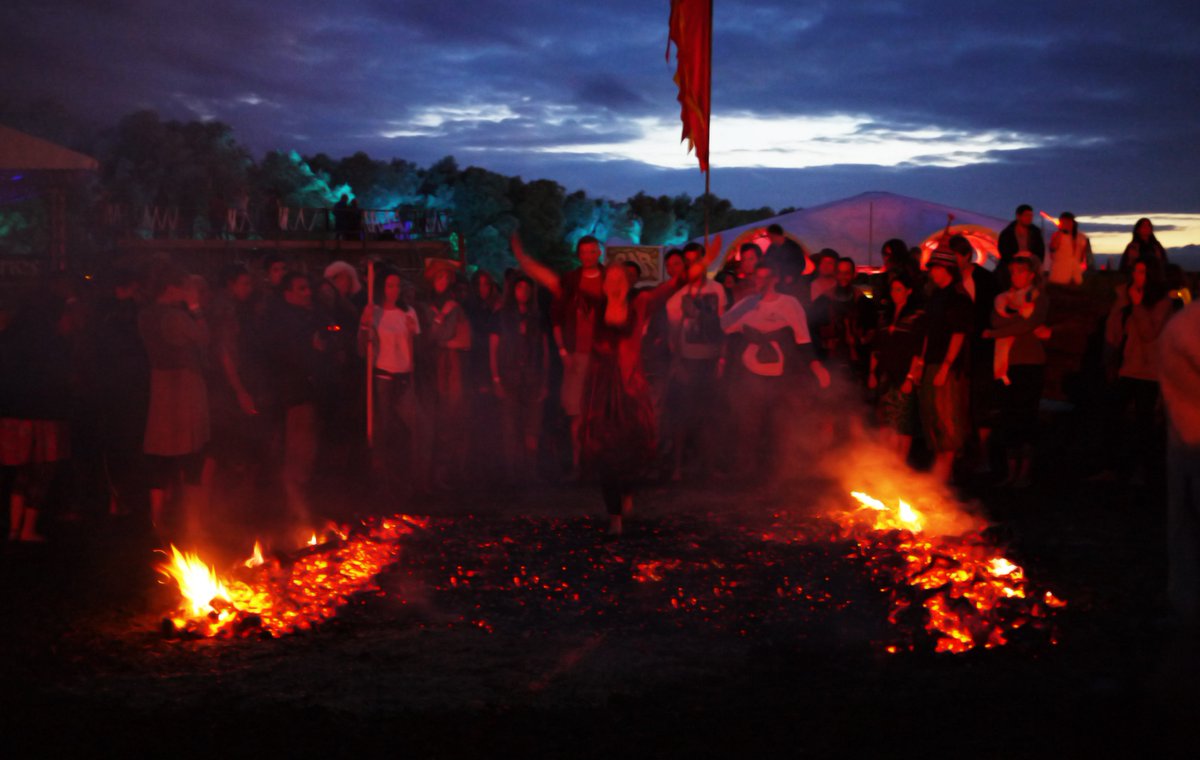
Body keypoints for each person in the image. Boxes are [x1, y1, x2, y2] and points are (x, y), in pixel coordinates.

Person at [515, 232, 689, 537]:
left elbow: (674, 284)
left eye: (621, 279)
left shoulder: (641, 304)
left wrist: (701, 263)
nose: (615, 283)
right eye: (611, 280)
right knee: (607, 452)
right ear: (606, 284)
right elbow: (554, 284)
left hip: (632, 391)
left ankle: (628, 493)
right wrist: (525, 261)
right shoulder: (594, 306)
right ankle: (614, 516)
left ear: (626, 283)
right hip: (602, 394)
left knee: (634, 450)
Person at [721, 259, 831, 480]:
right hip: (750, 370)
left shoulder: (788, 304)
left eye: (763, 277)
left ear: (775, 279)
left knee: (782, 421)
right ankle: (747, 470)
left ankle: (782, 472)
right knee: (748, 421)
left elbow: (803, 339)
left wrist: (816, 366)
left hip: (781, 371)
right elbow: (723, 326)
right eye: (756, 277)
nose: (758, 281)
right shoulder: (747, 304)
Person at [139, 262, 211, 533]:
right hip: (181, 387)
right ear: (172, 288)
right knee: (188, 451)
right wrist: (195, 309)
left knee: (161, 455)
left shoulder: (146, 314)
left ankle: (158, 517)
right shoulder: (174, 316)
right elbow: (204, 337)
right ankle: (192, 519)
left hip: (160, 384)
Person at [0, 295, 73, 542]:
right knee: (41, 471)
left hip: (14, 415)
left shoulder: (8, 339)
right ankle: (28, 529)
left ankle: (13, 527)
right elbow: (62, 379)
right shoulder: (52, 344)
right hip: (45, 415)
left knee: (22, 471)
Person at [261, 272, 327, 525]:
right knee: (298, 451)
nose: (308, 293)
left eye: (308, 288)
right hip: (294, 393)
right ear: (288, 293)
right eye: (301, 289)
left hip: (307, 392)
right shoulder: (283, 321)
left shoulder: (306, 317)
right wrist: (312, 349)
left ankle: (299, 504)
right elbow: (286, 356)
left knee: (307, 448)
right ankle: (294, 508)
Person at [983, 253, 1051, 488]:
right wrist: (1010, 327)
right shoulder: (1003, 299)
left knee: (1026, 418)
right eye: (1012, 271)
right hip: (1007, 366)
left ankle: (1025, 473)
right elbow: (997, 320)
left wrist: (995, 334)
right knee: (1009, 418)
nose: (1015, 275)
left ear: (1031, 274)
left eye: (1019, 271)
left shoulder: (1038, 297)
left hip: (1029, 364)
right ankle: (1011, 473)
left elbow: (1028, 324)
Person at [1104, 258, 1172, 484]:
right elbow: (1115, 331)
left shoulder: (1162, 302)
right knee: (1113, 417)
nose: (1137, 276)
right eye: (1135, 271)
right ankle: (1115, 467)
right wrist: (1122, 302)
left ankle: (1144, 471)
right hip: (1127, 368)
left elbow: (1149, 334)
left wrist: (1137, 304)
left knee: (1144, 422)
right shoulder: (1128, 297)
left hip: (1147, 371)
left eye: (1142, 272)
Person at [664, 242, 726, 482]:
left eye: (697, 260)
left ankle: (708, 467)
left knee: (709, 415)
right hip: (687, 361)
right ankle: (677, 467)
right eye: (688, 261)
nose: (693, 265)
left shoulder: (718, 289)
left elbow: (722, 324)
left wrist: (722, 357)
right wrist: (678, 363)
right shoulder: (677, 295)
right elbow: (673, 333)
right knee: (682, 416)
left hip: (710, 359)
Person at [360, 269, 422, 500]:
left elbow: (419, 346)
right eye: (389, 285)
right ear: (382, 289)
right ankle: (382, 481)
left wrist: (413, 332)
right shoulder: (373, 312)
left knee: (414, 426)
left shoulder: (409, 312)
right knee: (383, 429)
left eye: (397, 285)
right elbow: (361, 347)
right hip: (383, 376)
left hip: (405, 376)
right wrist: (365, 326)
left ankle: (410, 479)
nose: (394, 290)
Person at [1158, 299, 1200, 627]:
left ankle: (1185, 602)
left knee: (1184, 525)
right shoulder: (1188, 328)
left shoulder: (1181, 325)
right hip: (1192, 442)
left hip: (1183, 439)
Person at [550, 236, 606, 479]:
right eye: (584, 252)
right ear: (579, 254)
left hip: (601, 357)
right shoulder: (571, 281)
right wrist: (563, 351)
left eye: (593, 251)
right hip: (576, 355)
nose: (589, 256)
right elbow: (556, 319)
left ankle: (599, 463)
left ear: (599, 253)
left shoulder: (609, 280)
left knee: (600, 413)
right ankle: (577, 463)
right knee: (576, 413)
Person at [915, 249, 973, 484]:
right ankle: (937, 481)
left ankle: (940, 484)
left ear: (946, 269)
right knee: (932, 420)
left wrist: (946, 367)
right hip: (932, 363)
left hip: (947, 368)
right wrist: (921, 361)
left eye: (935, 268)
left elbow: (959, 334)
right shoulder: (936, 296)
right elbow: (929, 332)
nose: (932, 272)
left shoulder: (958, 297)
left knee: (947, 422)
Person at [489, 274, 550, 484]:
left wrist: (544, 380)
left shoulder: (536, 317)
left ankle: (529, 471)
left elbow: (544, 350)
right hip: (510, 376)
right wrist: (496, 378)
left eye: (527, 288)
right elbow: (493, 347)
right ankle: (512, 473)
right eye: (519, 288)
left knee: (531, 425)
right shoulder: (502, 316)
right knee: (510, 425)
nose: (523, 292)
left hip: (532, 376)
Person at [949, 234, 999, 475]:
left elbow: (991, 311)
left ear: (966, 255)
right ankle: (962, 452)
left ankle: (984, 456)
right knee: (960, 402)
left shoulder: (985, 280)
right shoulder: (952, 282)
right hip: (960, 349)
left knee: (981, 402)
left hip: (980, 347)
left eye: (955, 256)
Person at [424, 259, 471, 489]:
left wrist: (444, 342)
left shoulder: (456, 307)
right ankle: (434, 473)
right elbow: (427, 339)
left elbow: (465, 339)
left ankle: (455, 470)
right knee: (435, 417)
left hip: (452, 367)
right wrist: (440, 319)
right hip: (432, 369)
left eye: (446, 277)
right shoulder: (426, 307)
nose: (442, 281)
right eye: (438, 277)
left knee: (454, 415)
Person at [869, 273, 925, 461]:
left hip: (904, 373)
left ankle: (900, 463)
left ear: (909, 291)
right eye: (893, 289)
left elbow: (919, 348)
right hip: (886, 372)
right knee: (886, 419)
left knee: (903, 421)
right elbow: (877, 347)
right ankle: (887, 461)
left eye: (899, 289)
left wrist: (911, 376)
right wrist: (872, 372)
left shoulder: (916, 316)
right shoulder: (885, 316)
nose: (895, 293)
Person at [997, 204, 1046, 285]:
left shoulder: (1035, 232)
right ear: (1018, 216)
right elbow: (1003, 251)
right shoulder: (1007, 233)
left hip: (1030, 265)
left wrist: (1032, 257)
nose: (1029, 218)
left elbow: (1040, 251)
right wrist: (1015, 257)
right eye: (1026, 215)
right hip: (1013, 266)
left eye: (1031, 216)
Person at [762, 223, 810, 297]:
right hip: (777, 282)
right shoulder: (772, 248)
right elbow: (766, 261)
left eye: (770, 237)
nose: (769, 239)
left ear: (775, 235)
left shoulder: (792, 246)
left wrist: (792, 275)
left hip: (792, 282)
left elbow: (801, 263)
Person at [1047, 212, 1092, 286]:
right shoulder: (1057, 235)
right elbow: (1053, 248)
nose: (1066, 224)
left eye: (1068, 222)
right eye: (1063, 222)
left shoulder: (1081, 237)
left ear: (1073, 222)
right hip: (1059, 274)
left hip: (1076, 273)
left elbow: (1084, 256)